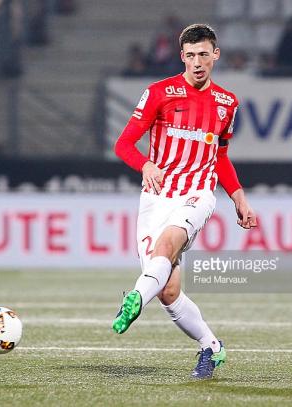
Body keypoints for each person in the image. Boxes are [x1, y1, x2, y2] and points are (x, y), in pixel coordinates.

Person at [112, 24, 257, 379]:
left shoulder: (227, 103)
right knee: (169, 291)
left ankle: (133, 300)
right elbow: (123, 145)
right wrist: (146, 164)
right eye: (190, 55)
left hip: (197, 194)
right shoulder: (159, 93)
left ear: (215, 55)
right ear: (182, 57)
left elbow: (219, 157)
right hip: (157, 197)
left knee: (167, 244)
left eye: (204, 55)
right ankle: (211, 347)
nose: (197, 62)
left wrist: (238, 197)